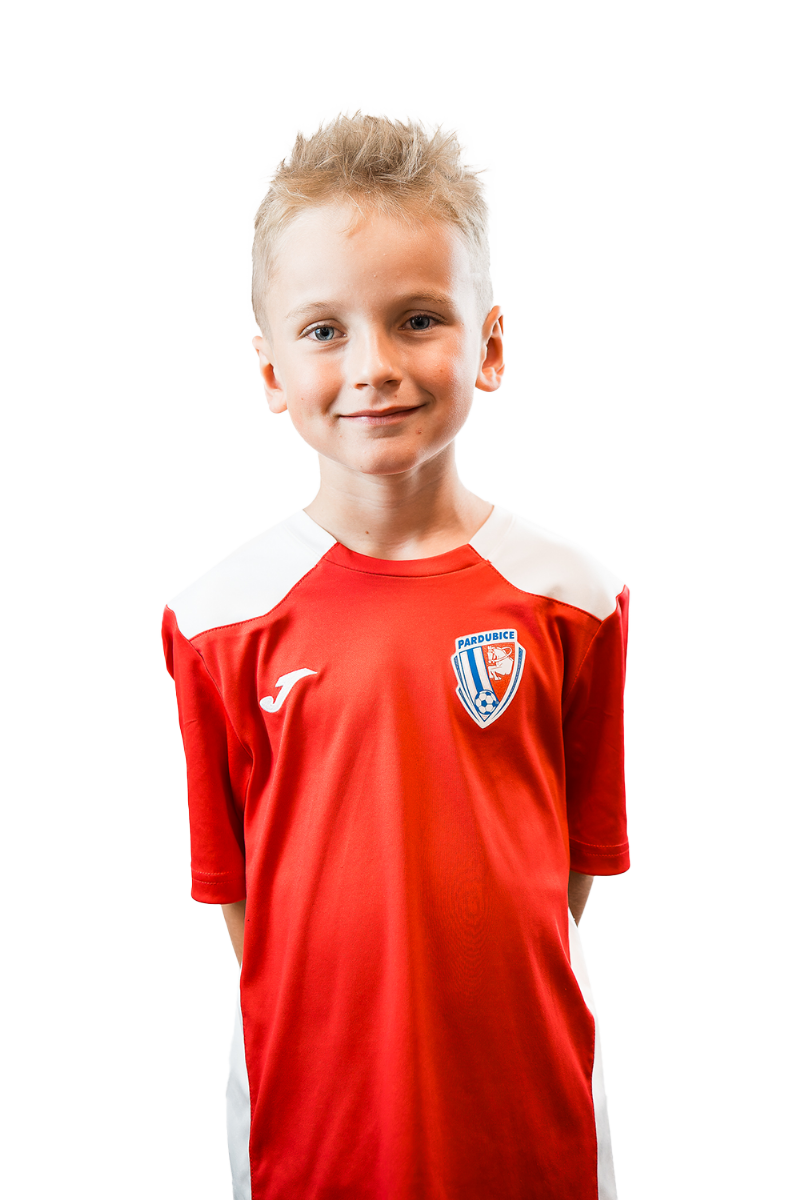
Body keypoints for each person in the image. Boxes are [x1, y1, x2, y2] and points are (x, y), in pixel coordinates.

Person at [161, 106, 630, 1200]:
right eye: (324, 330)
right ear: (270, 370)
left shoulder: (575, 599)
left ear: (490, 345)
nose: (373, 366)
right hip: (316, 1118)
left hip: (520, 1109)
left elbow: (567, 869)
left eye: (418, 319)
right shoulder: (216, 620)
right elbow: (240, 898)